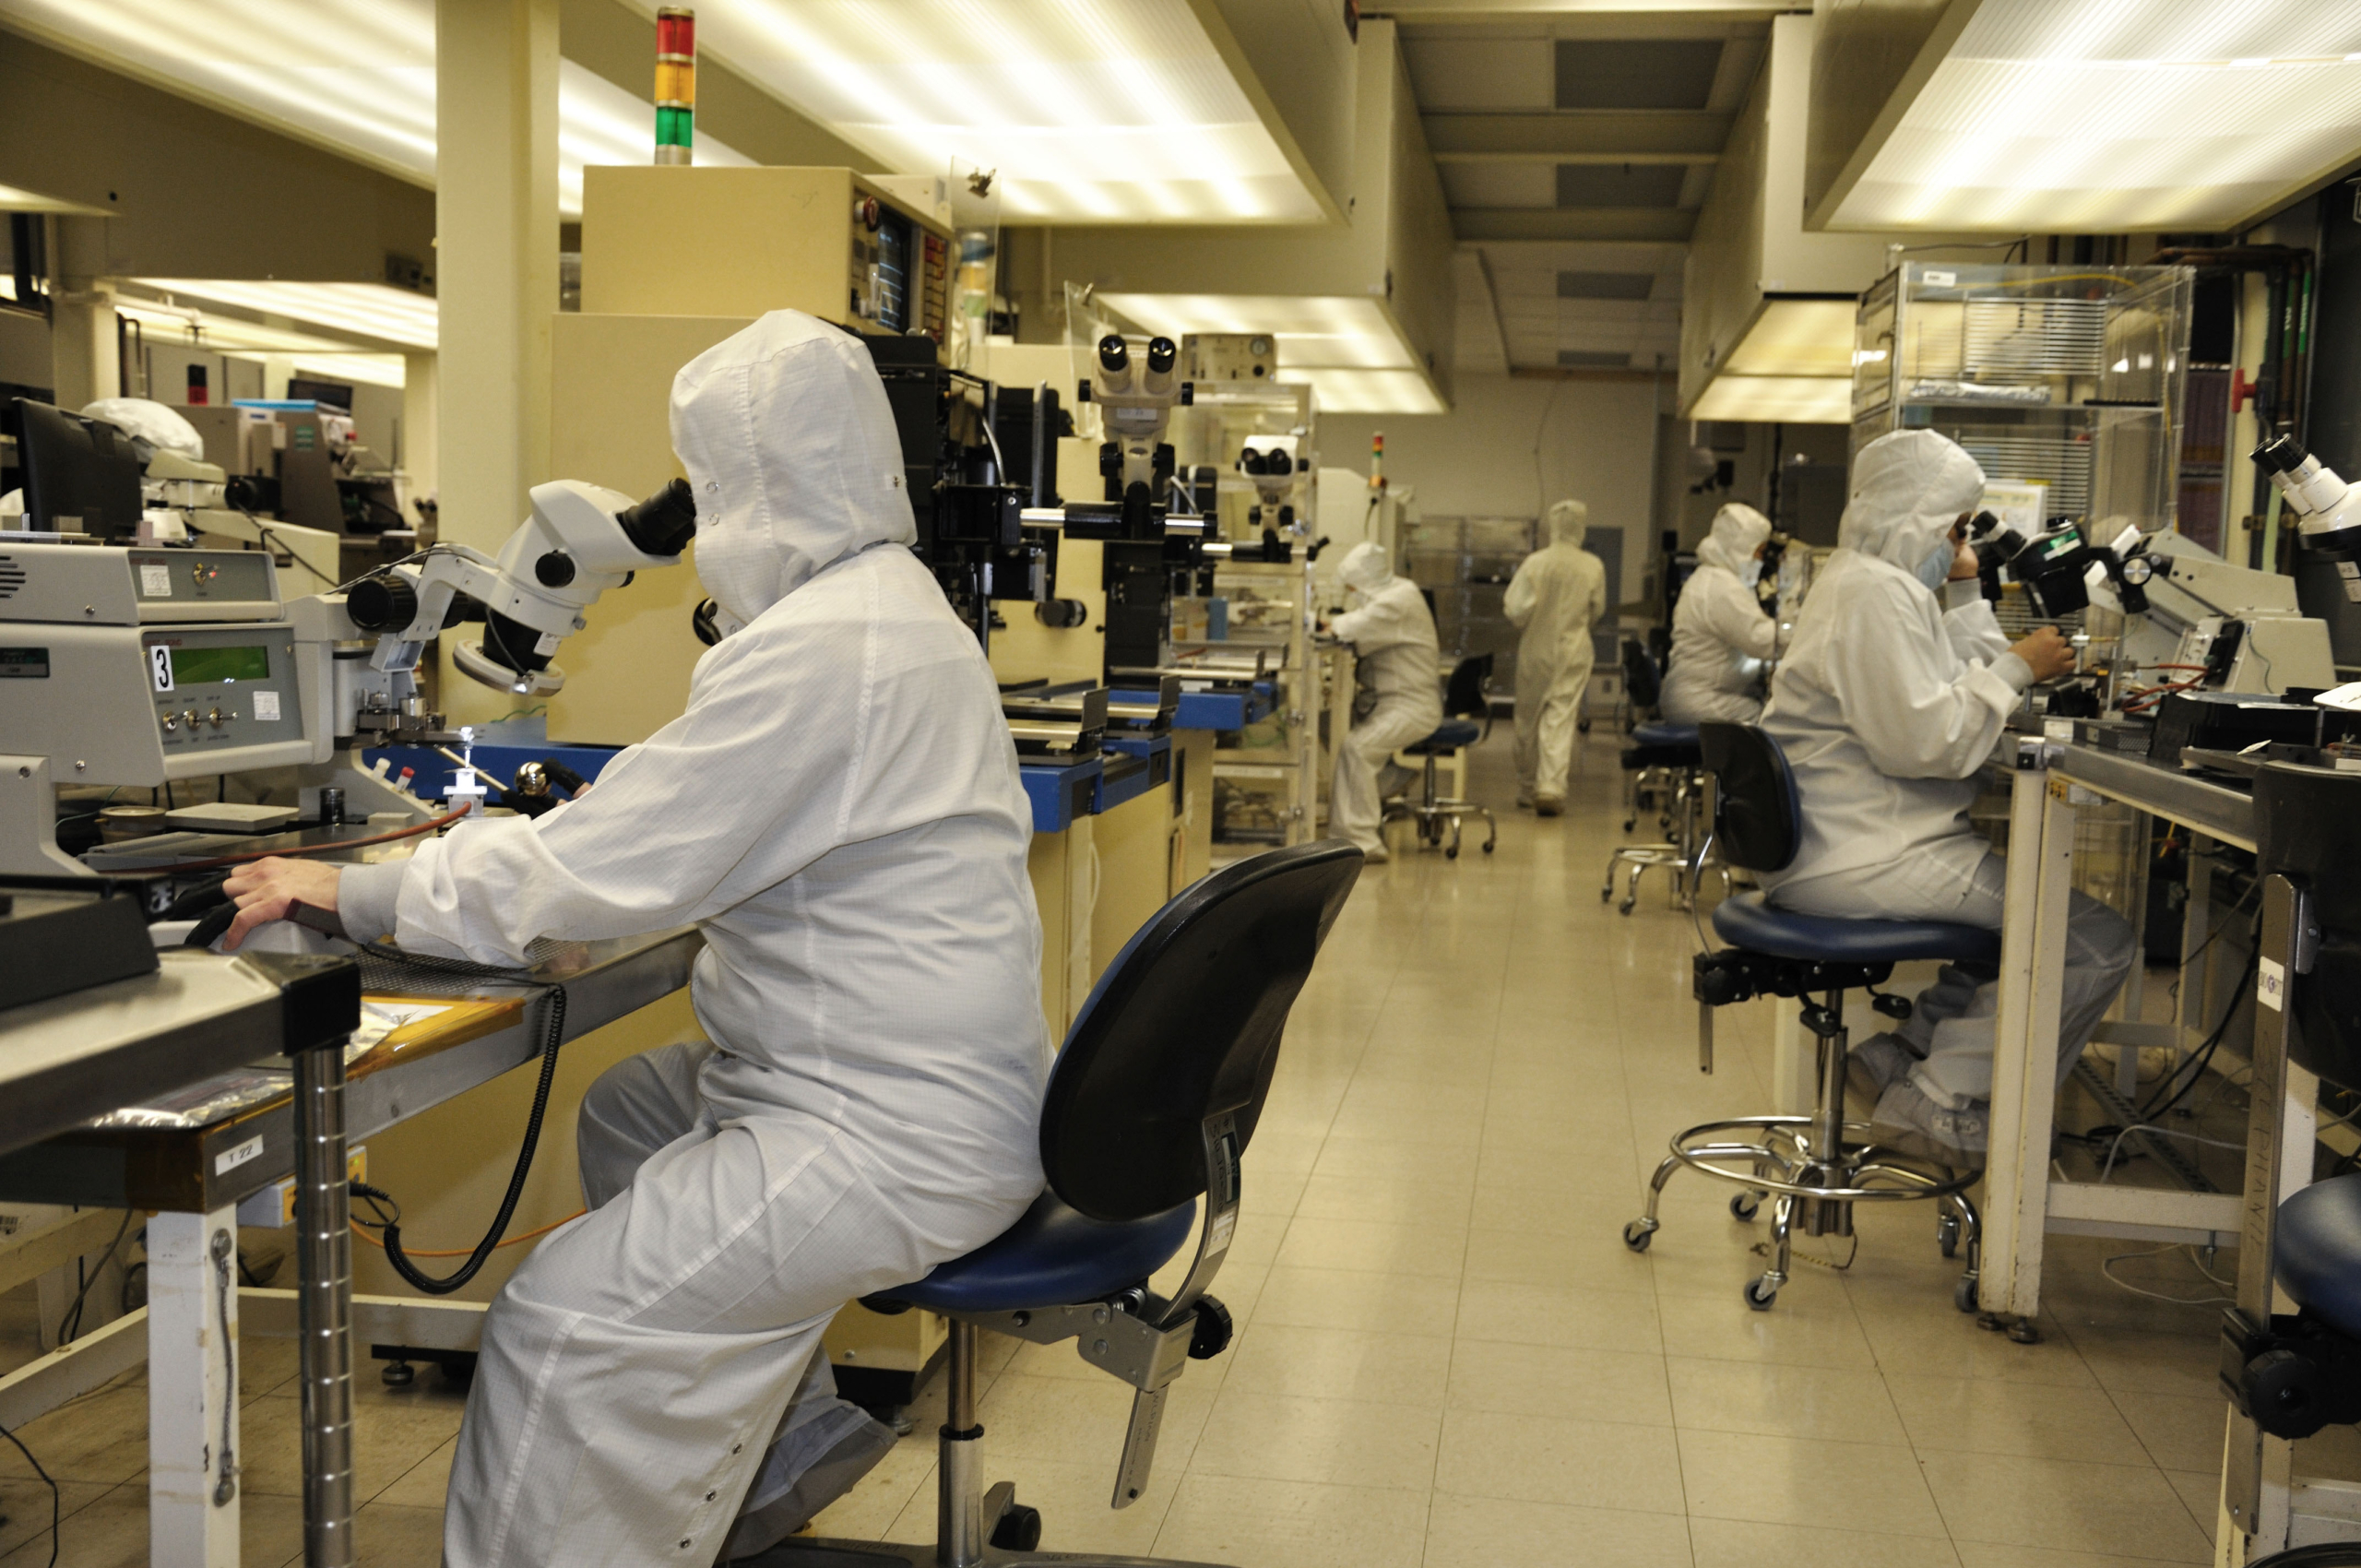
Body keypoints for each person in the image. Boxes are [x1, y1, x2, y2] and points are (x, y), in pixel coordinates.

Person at [220, 311, 1050, 1567]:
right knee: (631, 1110)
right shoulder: (886, 611)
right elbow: (697, 817)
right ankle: (787, 1441)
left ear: (745, 490)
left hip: (884, 1134)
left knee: (561, 1321)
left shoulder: (830, 649)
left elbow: (587, 877)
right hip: (907, 1084)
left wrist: (359, 890)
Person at [1759, 429, 2135, 1163]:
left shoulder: (1875, 584)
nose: (1962, 542)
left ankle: (1903, 1056)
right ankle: (1941, 1098)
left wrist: (1966, 588)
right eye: (1955, 528)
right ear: (1917, 518)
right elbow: (1925, 742)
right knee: (2096, 942)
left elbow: (1950, 680)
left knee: (2017, 921)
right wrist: (2020, 668)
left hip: (1851, 841)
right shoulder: (1875, 592)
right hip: (1867, 853)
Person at [1327, 540, 1442, 864]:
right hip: (1395, 702)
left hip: (1411, 708)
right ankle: (1391, 778)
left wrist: (1313, 621)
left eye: (1353, 587)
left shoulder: (1395, 602)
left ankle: (1361, 842)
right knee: (1330, 727)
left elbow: (1349, 627)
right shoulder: (1400, 590)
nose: (1352, 594)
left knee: (1357, 749)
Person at [1503, 498, 1608, 815]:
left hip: (1536, 649)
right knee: (1559, 718)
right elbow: (1597, 611)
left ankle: (1526, 786)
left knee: (1527, 719)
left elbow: (1516, 611)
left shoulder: (1535, 563)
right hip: (1574, 649)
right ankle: (1550, 787)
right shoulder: (1592, 565)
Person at [1660, 502, 1781, 724]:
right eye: (1759, 552)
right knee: (1774, 724)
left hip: (1695, 697)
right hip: (1705, 702)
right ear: (1742, 547)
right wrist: (1804, 631)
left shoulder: (1711, 578)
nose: (1761, 561)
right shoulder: (1722, 586)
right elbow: (1762, 640)